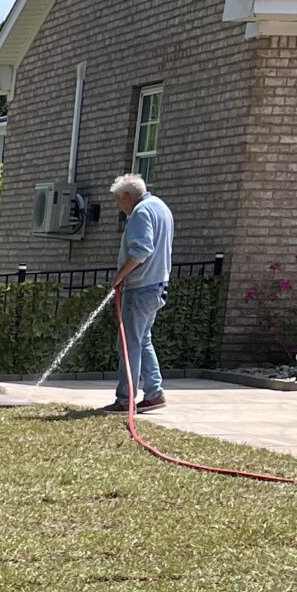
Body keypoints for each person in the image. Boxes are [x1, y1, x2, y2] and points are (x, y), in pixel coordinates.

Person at [104, 172, 173, 413]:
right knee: (142, 340)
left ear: (127, 195)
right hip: (157, 285)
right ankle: (154, 394)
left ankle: (125, 400)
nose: (118, 206)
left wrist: (120, 276)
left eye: (117, 200)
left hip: (141, 287)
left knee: (129, 344)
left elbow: (142, 251)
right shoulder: (161, 207)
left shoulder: (141, 212)